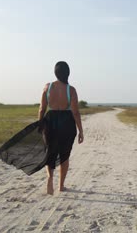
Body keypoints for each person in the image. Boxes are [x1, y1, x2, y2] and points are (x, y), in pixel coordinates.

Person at [38, 61, 84, 195]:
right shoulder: (71, 90)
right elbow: (75, 112)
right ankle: (61, 186)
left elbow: (42, 109)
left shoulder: (47, 87)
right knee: (64, 155)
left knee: (50, 152)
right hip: (67, 123)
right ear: (68, 73)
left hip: (50, 121)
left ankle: (49, 178)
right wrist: (80, 130)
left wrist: (40, 123)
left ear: (55, 73)